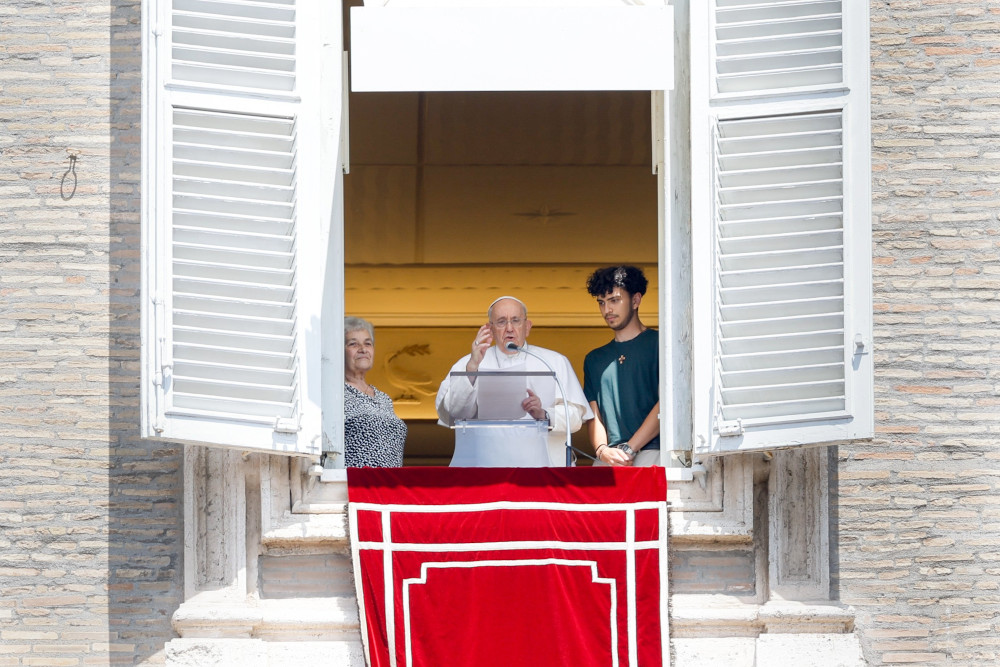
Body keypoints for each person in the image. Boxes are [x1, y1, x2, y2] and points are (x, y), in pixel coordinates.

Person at [435, 296, 593, 466]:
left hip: (542, 471)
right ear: (490, 329)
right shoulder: (469, 363)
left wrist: (544, 414)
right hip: (484, 471)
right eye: (501, 322)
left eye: (516, 321)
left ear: (527, 327)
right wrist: (472, 369)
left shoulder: (553, 362)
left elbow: (576, 417)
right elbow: (450, 414)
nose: (509, 328)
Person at [583, 266, 660, 466]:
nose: (607, 310)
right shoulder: (594, 359)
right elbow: (594, 415)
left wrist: (630, 448)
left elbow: (667, 405)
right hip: (607, 459)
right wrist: (601, 450)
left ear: (636, 300)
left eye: (614, 300)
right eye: (602, 303)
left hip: (652, 453)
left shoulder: (661, 344)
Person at [344, 316, 406, 467]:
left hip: (389, 484)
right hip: (355, 484)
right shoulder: (336, 393)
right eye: (353, 344)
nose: (363, 349)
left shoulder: (384, 399)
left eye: (368, 343)